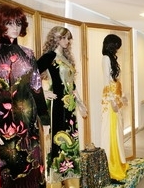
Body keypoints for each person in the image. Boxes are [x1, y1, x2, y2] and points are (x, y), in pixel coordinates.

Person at [0, 3, 48, 188]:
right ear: (0, 24)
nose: (15, 28)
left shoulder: (28, 54)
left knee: (34, 163)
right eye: (9, 23)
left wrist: (44, 119)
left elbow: (36, 87)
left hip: (30, 119)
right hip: (5, 120)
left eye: (18, 23)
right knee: (12, 167)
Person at [37, 26, 87, 188]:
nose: (66, 41)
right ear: (55, 38)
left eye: (68, 38)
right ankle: (56, 183)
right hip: (57, 105)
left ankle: (71, 181)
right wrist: (43, 92)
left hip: (70, 108)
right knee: (58, 144)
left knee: (71, 141)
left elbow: (71, 85)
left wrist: (80, 103)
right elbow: (31, 76)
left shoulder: (66, 58)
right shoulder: (49, 57)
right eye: (63, 38)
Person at [101, 34, 129, 182]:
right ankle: (111, 168)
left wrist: (122, 95)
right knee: (111, 132)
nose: (118, 49)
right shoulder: (105, 58)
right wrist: (112, 101)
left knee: (117, 131)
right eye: (117, 45)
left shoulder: (111, 59)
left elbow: (116, 81)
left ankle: (118, 163)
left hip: (115, 97)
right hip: (110, 99)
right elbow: (107, 81)